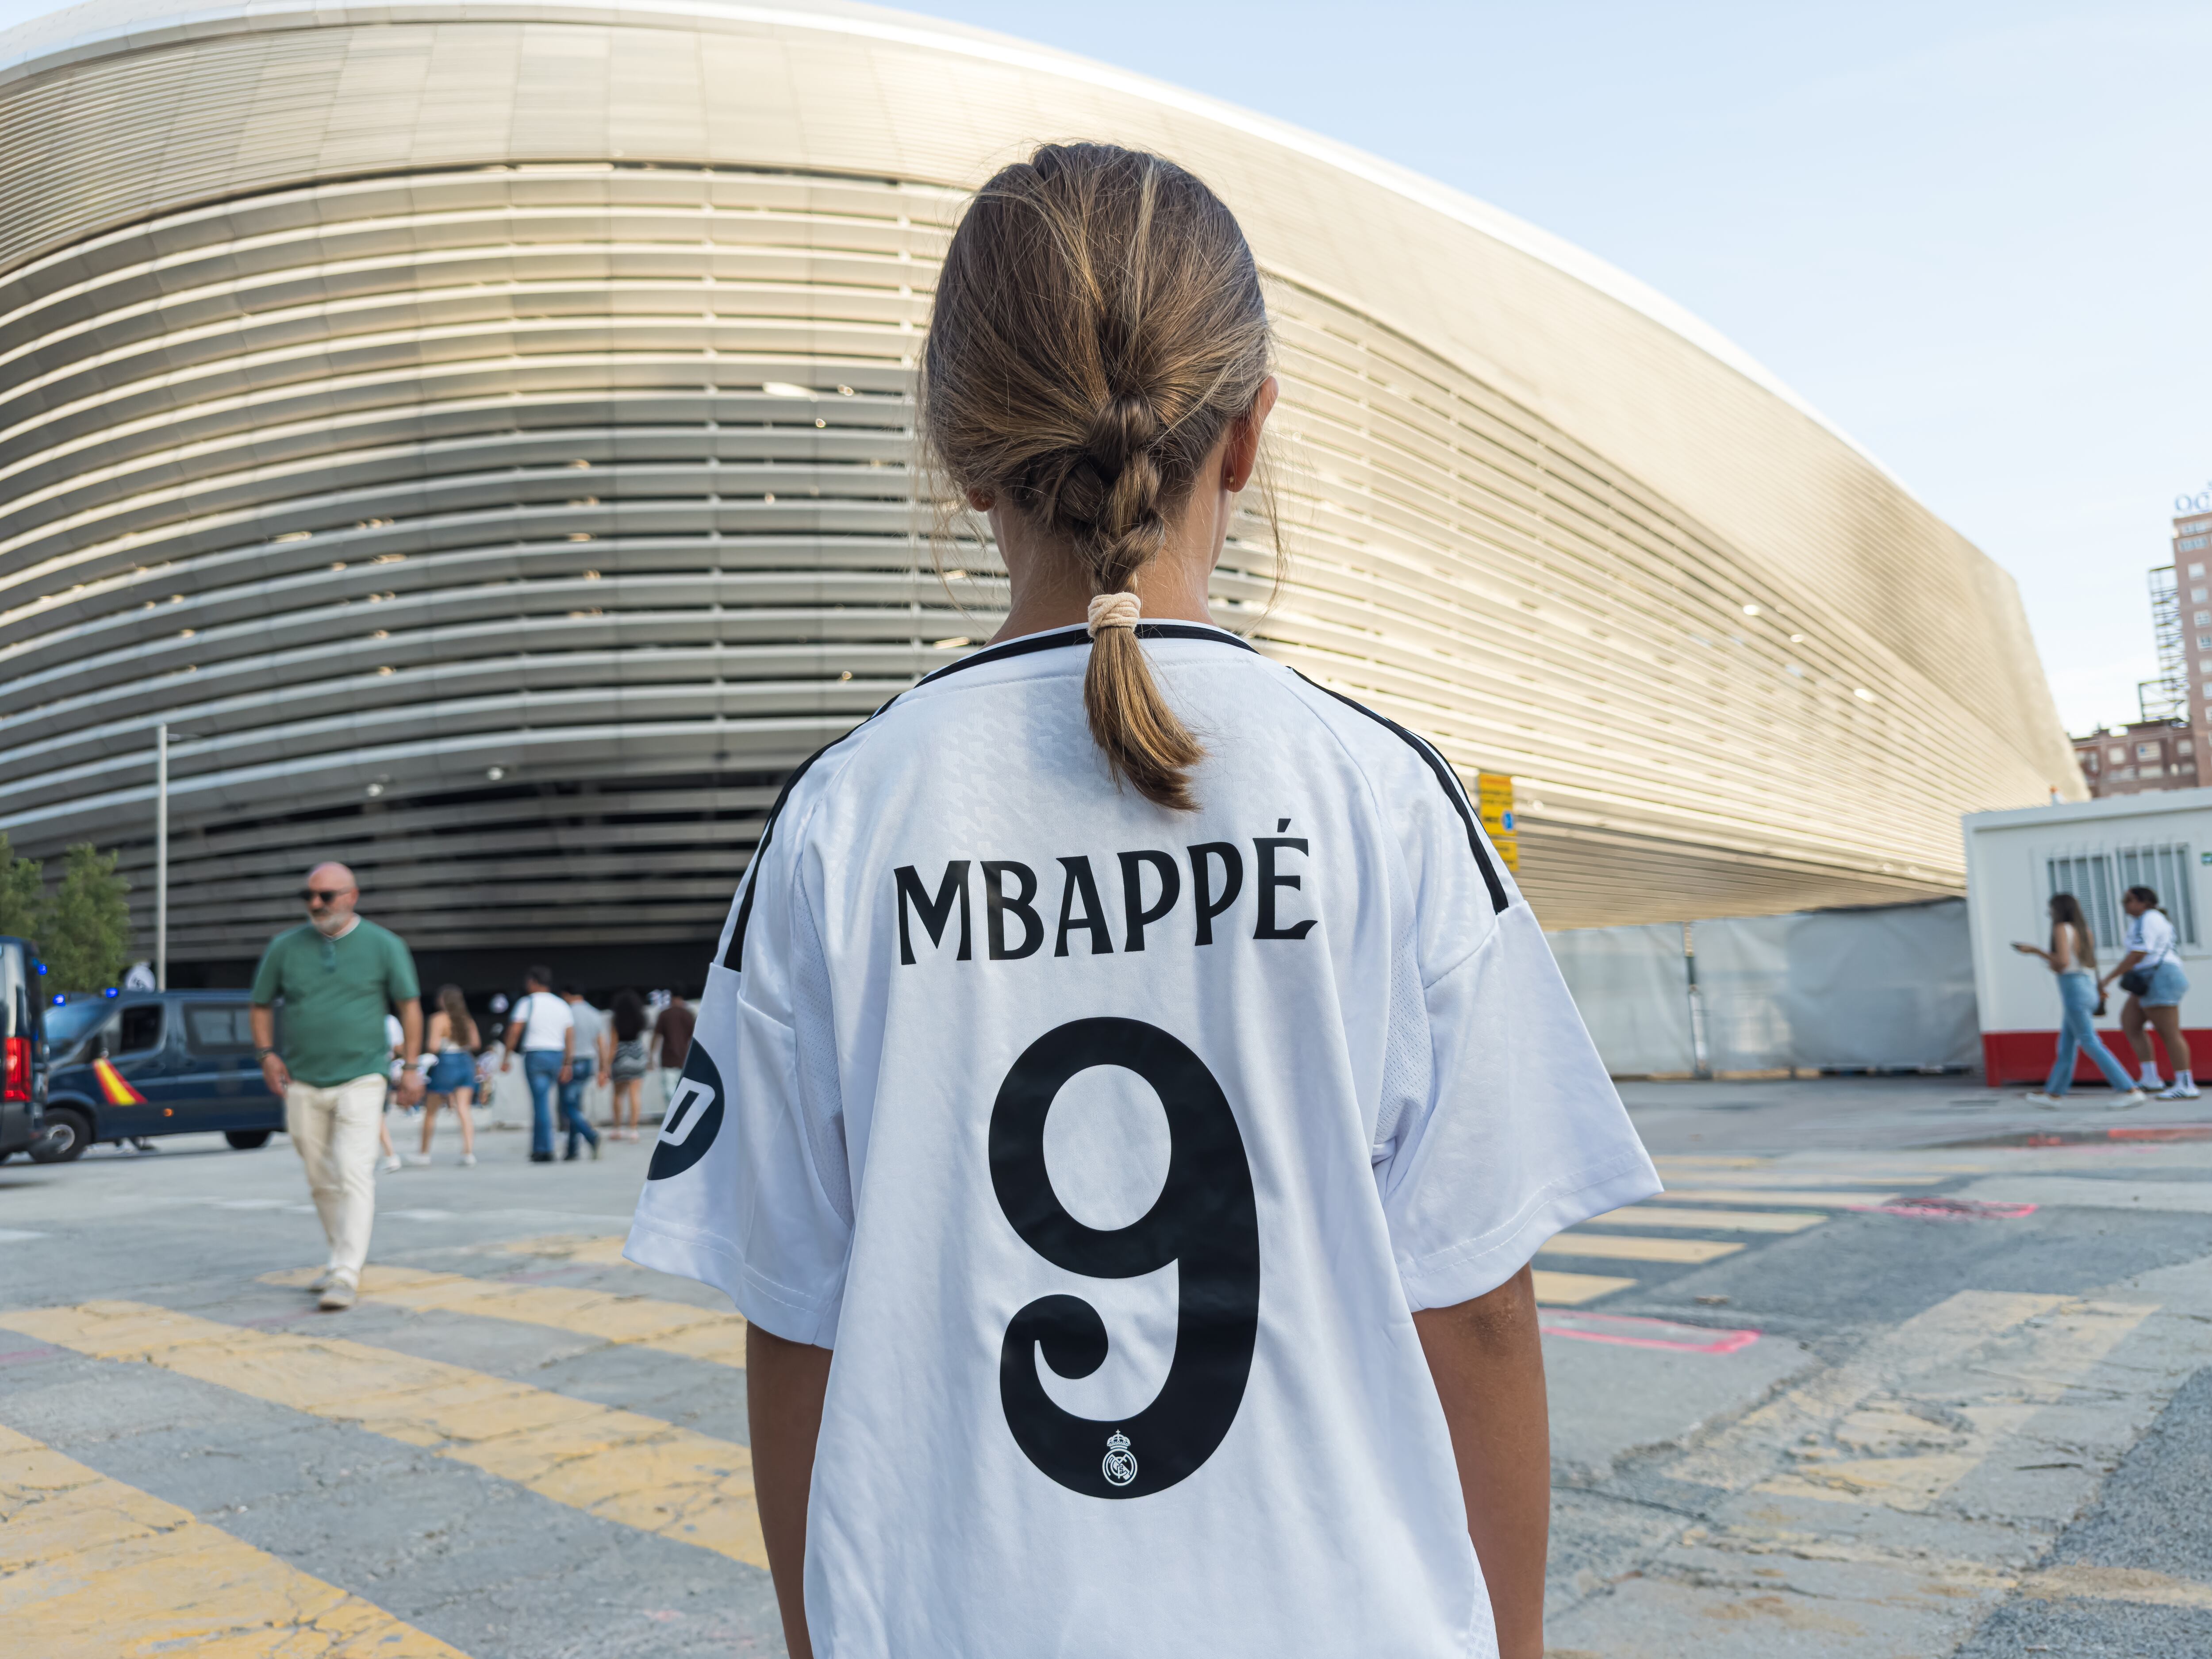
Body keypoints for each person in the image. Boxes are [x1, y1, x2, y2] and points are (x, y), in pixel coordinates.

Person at [624, 143, 1657, 1659]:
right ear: (1251, 434)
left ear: (964, 457)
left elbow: (797, 1321)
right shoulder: (1382, 797)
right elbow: (1478, 1305)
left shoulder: (842, 821)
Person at [250, 861, 422, 1311]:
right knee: (319, 1176)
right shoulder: (284, 947)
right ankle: (338, 1258)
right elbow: (260, 1004)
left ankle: (346, 1272)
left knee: (353, 1170)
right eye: (308, 896)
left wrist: (409, 1068)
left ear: (352, 896)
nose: (315, 904)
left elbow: (409, 1006)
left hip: (363, 1076)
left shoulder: (385, 945)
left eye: (325, 896)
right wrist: (266, 1054)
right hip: (303, 1080)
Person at [2014, 894, 2144, 1107]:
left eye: (2051, 910)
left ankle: (2129, 1089)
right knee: (2066, 1045)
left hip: (2074, 989)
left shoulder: (2061, 929)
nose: (2050, 914)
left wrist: (2035, 951)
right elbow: (2085, 963)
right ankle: (2054, 1094)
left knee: (2090, 1042)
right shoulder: (2085, 932)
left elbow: (2063, 963)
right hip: (2086, 986)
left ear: (2059, 910)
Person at [2101, 885, 2198, 1100]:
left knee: (2169, 1032)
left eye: (2128, 900)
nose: (2124, 905)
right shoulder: (2141, 921)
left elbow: (2139, 953)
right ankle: (2151, 1078)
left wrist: (2109, 978)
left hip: (2160, 977)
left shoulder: (2151, 918)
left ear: (2144, 902)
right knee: (2131, 1023)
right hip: (2148, 979)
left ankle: (2186, 1084)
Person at [501, 967, 573, 1163]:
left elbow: (515, 1031)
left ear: (533, 982)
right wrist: (568, 1062)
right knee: (558, 1103)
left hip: (536, 1054)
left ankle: (544, 1149)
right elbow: (570, 1035)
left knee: (541, 1103)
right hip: (557, 1054)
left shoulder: (527, 1003)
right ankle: (554, 1146)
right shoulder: (562, 1005)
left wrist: (506, 1057)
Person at [417, 983, 479, 1167]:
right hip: (466, 1061)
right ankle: (468, 1153)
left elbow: (433, 1046)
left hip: (446, 1062)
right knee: (464, 1109)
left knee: (431, 1111)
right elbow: (476, 1043)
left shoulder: (438, 1019)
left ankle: (424, 1153)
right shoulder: (467, 1019)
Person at [558, 983, 607, 1161]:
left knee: (568, 1107)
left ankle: (590, 1135)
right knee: (576, 1106)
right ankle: (572, 1150)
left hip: (571, 1063)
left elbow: (564, 1040)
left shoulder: (566, 1013)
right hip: (588, 1062)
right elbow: (601, 1044)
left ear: (567, 995)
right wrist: (603, 1069)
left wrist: (566, 1064)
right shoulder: (594, 1013)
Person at [607, 988, 650, 1141]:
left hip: (621, 1057)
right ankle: (633, 1130)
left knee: (618, 1094)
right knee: (635, 1094)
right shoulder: (641, 1017)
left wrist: (606, 1065)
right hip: (637, 1055)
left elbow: (613, 1043)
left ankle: (617, 1128)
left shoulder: (615, 1019)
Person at [647, 989, 694, 1119]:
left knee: (669, 1092)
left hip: (668, 1059)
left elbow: (656, 1037)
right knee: (684, 1091)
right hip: (686, 1059)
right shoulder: (689, 1014)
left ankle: (675, 1117)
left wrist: (651, 1057)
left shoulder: (665, 1014)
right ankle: (684, 1117)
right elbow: (695, 1038)